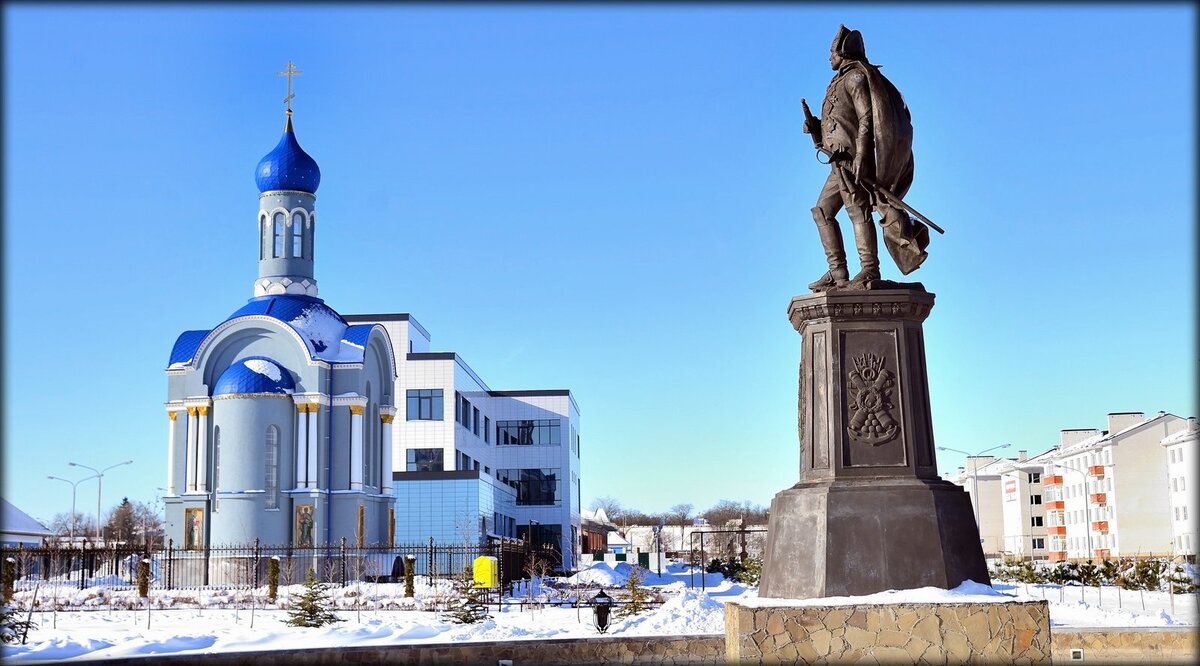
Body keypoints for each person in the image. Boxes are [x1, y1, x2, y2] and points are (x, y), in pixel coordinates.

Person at [804, 25, 929, 291]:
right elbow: (839, 122)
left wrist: (861, 155)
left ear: (842, 51)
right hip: (838, 162)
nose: (829, 57)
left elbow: (867, 118)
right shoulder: (838, 81)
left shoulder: (855, 78)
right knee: (822, 211)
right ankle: (837, 273)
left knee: (856, 210)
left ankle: (869, 270)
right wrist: (816, 128)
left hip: (852, 161)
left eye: (831, 51)